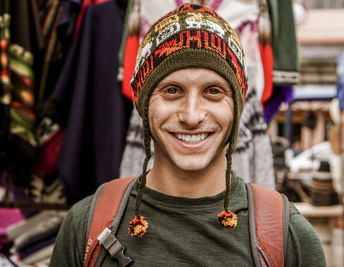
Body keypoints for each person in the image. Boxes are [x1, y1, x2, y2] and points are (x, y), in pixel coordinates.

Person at [50, 4, 325, 266]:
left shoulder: (287, 236)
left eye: (213, 91)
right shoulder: (87, 226)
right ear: (143, 103)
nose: (192, 116)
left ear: (238, 106)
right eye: (172, 90)